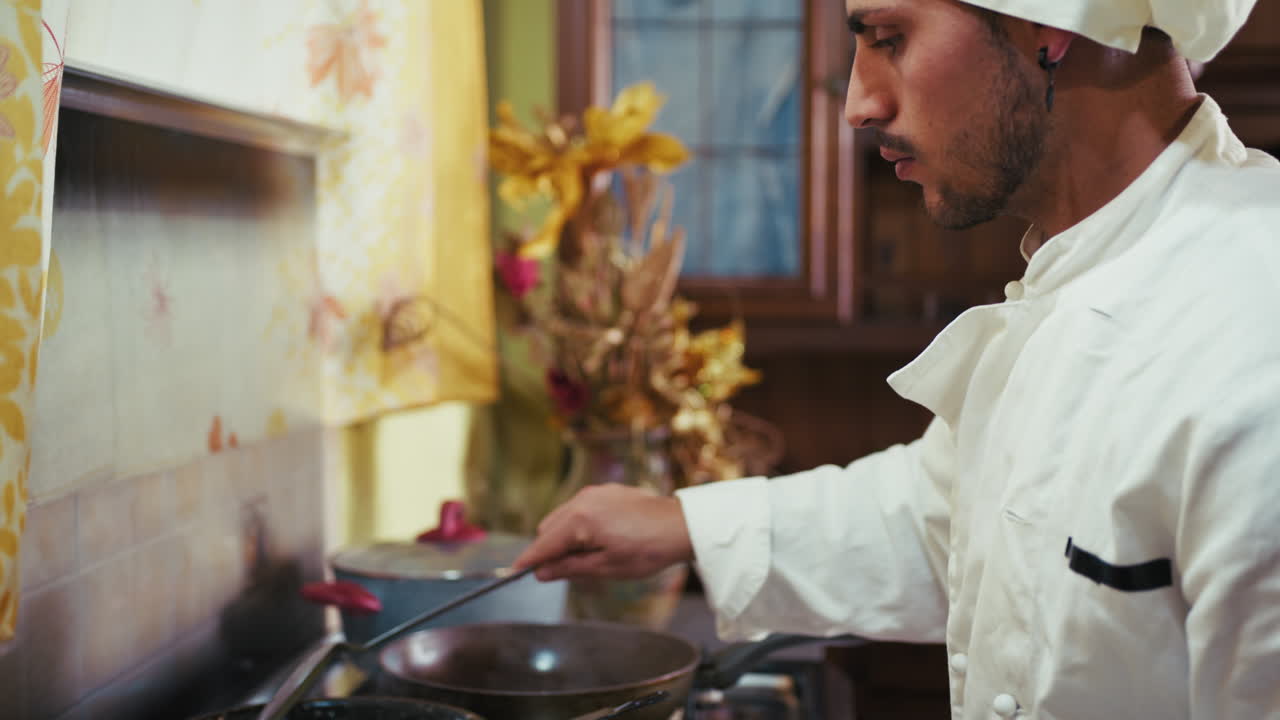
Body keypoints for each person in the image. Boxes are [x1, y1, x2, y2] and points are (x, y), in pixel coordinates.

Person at [515, 0, 1280, 717]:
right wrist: (683, 524)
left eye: (890, 39)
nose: (858, 104)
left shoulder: (1252, 349)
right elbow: (946, 517)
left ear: (1047, 26)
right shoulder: (1091, 264)